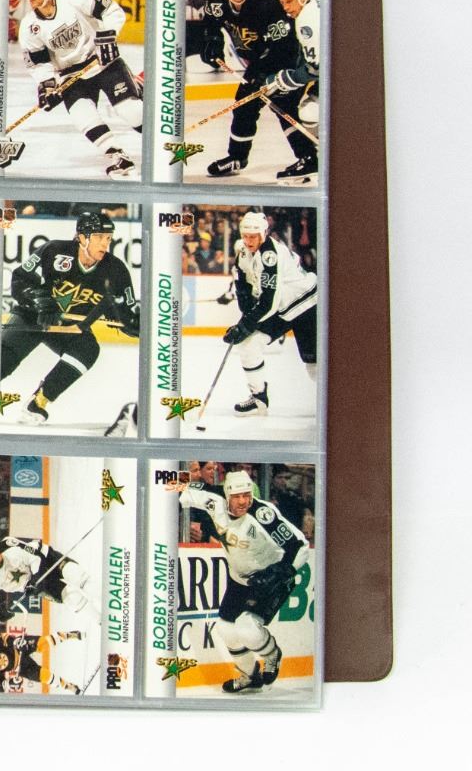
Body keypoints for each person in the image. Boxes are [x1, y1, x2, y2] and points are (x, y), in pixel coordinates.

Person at [0, 211, 140, 426]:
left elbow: (126, 313)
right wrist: (41, 302)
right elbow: (20, 279)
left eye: (108, 238)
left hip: (69, 327)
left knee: (88, 350)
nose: (105, 243)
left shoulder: (116, 270)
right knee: (0, 364)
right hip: (33, 317)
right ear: (82, 238)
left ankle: (38, 403)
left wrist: (132, 324)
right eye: (99, 237)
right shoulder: (54, 250)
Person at [176, 470, 309, 693]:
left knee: (247, 628)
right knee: (225, 629)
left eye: (247, 495)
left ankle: (272, 655)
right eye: (237, 496)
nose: (243, 501)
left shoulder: (263, 515)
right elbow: (176, 485)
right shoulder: (214, 496)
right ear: (227, 494)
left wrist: (280, 571)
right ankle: (250, 676)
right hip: (238, 579)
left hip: (269, 582)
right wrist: (155, 477)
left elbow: (300, 546)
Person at [15, 0, 142, 178]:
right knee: (83, 117)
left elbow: (111, 9)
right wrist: (48, 85)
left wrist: (108, 35)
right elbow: (38, 63)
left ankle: (161, 139)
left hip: (102, 62)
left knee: (131, 112)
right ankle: (118, 157)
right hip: (71, 76)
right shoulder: (29, 27)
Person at [198, 0, 317, 181]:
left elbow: (283, 46)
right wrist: (212, 44)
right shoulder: (216, 0)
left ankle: (308, 157)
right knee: (244, 104)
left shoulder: (266, 3)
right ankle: (237, 157)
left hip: (285, 57)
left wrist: (262, 76)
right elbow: (211, 24)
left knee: (284, 105)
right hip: (257, 61)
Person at [222, 211, 318, 416]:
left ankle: (335, 399)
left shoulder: (270, 255)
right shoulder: (243, 252)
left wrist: (245, 326)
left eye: (253, 236)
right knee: (248, 345)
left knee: (314, 368)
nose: (249, 241)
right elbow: (244, 290)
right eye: (245, 236)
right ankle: (259, 399)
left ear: (263, 234)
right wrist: (244, 320)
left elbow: (268, 303)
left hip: (306, 306)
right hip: (281, 307)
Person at [271, 0, 322, 179]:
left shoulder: (307, 21)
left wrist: (288, 79)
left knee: (309, 113)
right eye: (282, 2)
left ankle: (317, 157)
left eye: (289, 1)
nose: (286, 8)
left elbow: (315, 69)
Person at [0, 536, 92, 613]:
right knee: (73, 599)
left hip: (46, 558)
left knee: (76, 574)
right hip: (37, 583)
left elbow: (36, 556)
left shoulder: (7, 545)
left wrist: (35, 581)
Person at [0, 629, 86, 694]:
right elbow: (1, 682)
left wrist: (15, 642)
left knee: (43, 643)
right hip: (20, 667)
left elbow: (3, 637)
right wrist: (11, 683)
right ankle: (67, 686)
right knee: (44, 677)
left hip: (19, 648)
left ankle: (69, 635)